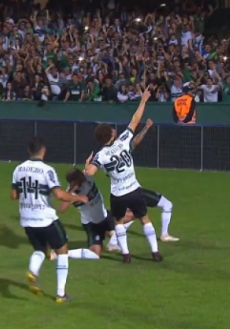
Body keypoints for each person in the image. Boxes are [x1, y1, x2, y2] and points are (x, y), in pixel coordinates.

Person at [84, 87, 163, 263]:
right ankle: (155, 251)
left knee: (119, 221)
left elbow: (89, 173)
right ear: (111, 134)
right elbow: (135, 119)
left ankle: (126, 254)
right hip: (134, 189)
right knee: (144, 218)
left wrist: (86, 165)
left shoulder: (101, 155)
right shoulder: (124, 140)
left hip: (118, 194)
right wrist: (143, 100)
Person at [10, 137, 88, 303]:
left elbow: (13, 195)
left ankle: (33, 271)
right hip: (45, 218)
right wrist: (78, 198)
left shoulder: (18, 169)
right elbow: (59, 194)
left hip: (27, 219)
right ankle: (61, 294)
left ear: (29, 151)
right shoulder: (47, 170)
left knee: (40, 249)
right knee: (62, 251)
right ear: (43, 151)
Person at [121, 119, 180, 242]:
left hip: (123, 192)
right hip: (134, 190)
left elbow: (134, 143)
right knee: (166, 205)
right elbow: (134, 142)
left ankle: (113, 241)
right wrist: (146, 128)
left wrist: (146, 128)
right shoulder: (121, 151)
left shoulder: (107, 157)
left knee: (134, 214)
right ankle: (164, 235)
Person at [54, 168, 119, 260]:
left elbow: (91, 168)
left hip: (105, 216)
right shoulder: (71, 193)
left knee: (126, 212)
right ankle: (62, 254)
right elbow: (62, 208)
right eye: (80, 177)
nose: (83, 176)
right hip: (92, 224)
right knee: (95, 254)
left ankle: (111, 236)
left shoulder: (87, 176)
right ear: (75, 181)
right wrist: (76, 196)